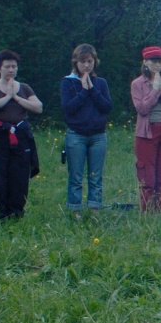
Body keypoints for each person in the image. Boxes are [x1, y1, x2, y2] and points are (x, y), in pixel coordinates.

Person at [0, 50, 43, 219]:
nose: (11, 70)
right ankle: (0, 213)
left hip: (20, 137)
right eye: (7, 66)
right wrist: (7, 97)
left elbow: (38, 107)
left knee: (20, 175)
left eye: (14, 66)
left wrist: (17, 98)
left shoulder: (24, 88)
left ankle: (16, 213)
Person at [60, 44, 112, 215]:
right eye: (83, 62)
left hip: (98, 136)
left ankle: (95, 210)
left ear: (94, 62)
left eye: (90, 61)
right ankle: (75, 211)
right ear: (76, 63)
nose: (87, 66)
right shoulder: (67, 83)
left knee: (96, 176)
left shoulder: (100, 83)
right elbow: (69, 108)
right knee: (76, 176)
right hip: (76, 135)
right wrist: (83, 91)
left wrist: (93, 90)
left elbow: (106, 107)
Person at [131, 46, 161, 213]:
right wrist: (154, 91)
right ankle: (147, 213)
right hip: (147, 134)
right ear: (145, 62)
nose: (158, 64)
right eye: (154, 61)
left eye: (160, 61)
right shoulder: (137, 84)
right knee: (147, 176)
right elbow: (142, 108)